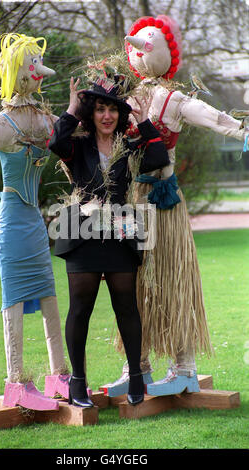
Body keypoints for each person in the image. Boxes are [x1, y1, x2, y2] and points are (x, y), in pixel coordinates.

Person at [105, 15, 248, 396]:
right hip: (131, 203)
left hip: (164, 203)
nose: (139, 48)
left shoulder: (174, 98)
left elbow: (215, 118)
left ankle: (184, 367)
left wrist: (242, 129)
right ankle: (137, 366)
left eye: (147, 43)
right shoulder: (121, 102)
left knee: (172, 281)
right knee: (130, 285)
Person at [0, 33, 69, 411]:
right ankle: (16, 381)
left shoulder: (43, 117)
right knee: (15, 301)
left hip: (34, 222)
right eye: (33, 66)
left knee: (50, 296)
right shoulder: (4, 123)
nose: (39, 74)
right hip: (11, 222)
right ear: (20, 72)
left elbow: (69, 132)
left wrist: (77, 109)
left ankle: (60, 375)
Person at [48, 71, 170, 407]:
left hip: (121, 230)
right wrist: (71, 110)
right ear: (92, 112)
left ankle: (135, 377)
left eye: (113, 109)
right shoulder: (78, 144)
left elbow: (159, 159)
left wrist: (144, 122)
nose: (106, 115)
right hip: (82, 231)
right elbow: (55, 144)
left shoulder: (129, 146)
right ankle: (77, 382)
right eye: (100, 108)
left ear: (120, 114)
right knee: (80, 309)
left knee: (127, 307)